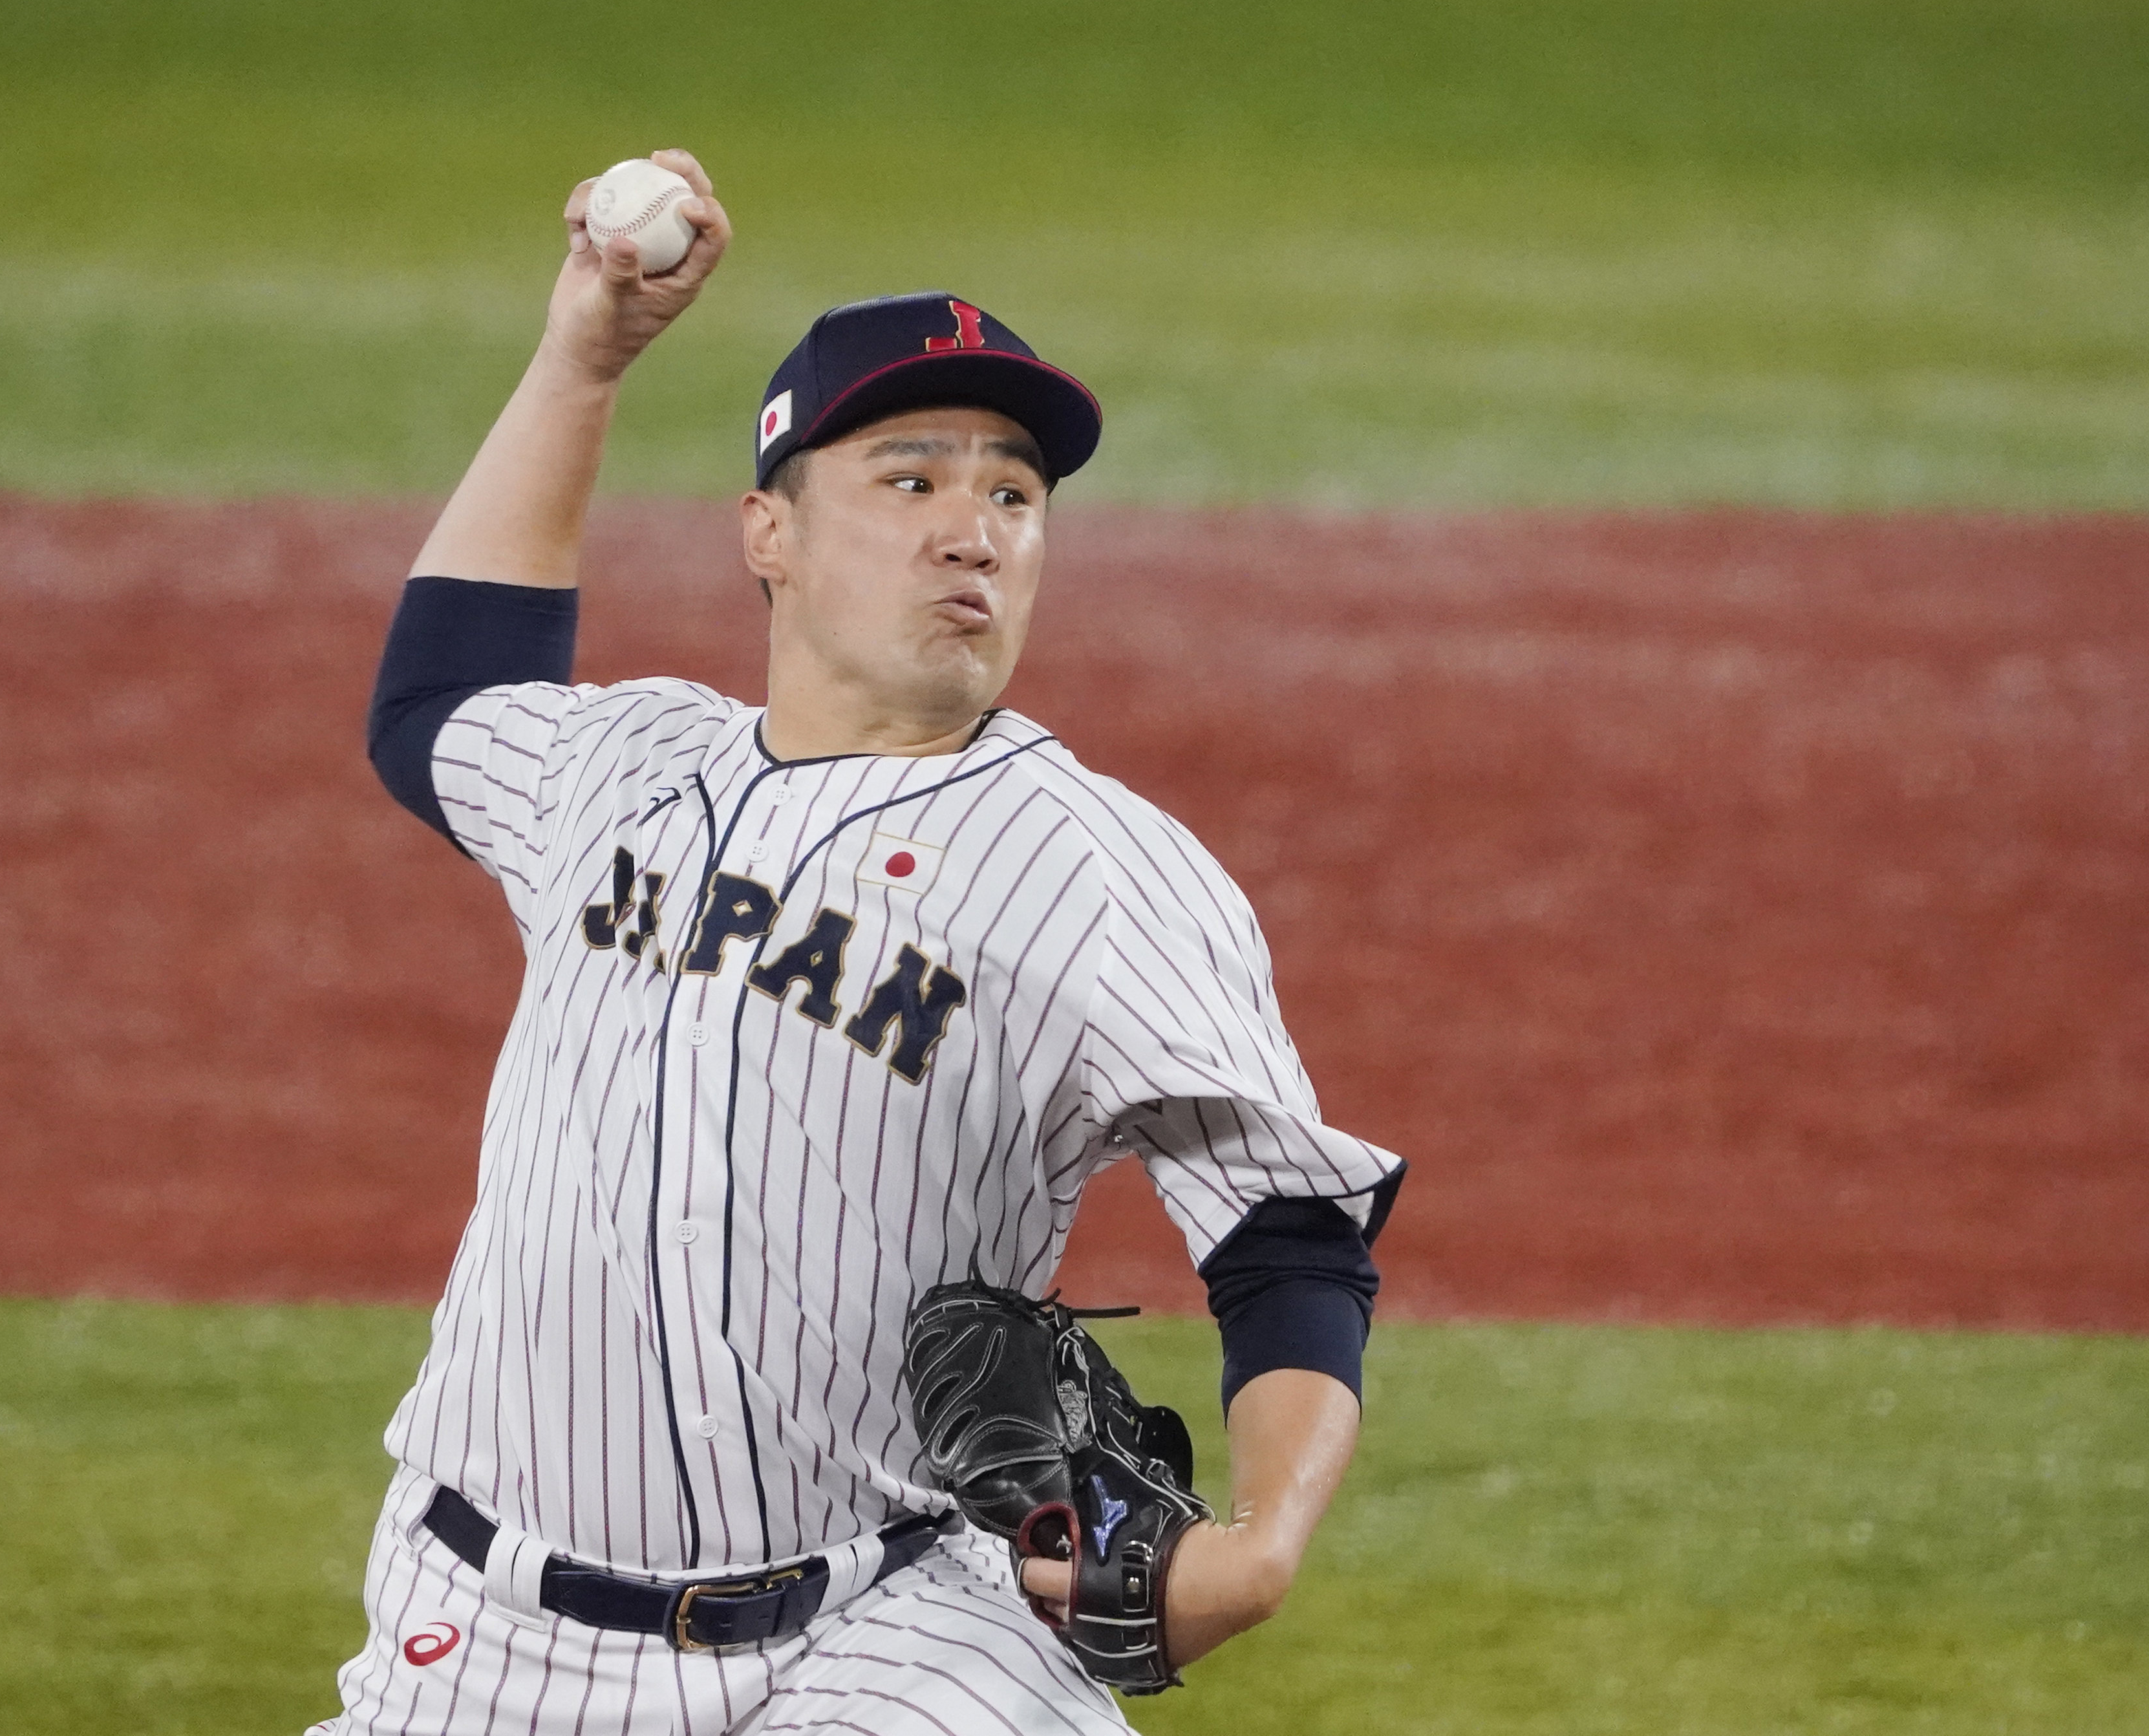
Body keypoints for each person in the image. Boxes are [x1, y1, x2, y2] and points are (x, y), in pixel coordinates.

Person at [316, 148, 1404, 1736]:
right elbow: (437, 702)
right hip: (479, 1623)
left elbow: (1288, 1232)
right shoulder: (621, 768)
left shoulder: (1097, 869)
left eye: (1013, 495)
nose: (973, 527)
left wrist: (1261, 1545)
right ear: (768, 533)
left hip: (889, 1624)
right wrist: (584, 353)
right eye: (911, 478)